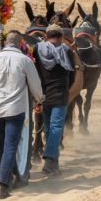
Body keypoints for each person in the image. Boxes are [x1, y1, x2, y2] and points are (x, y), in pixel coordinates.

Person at [0, 31, 44, 199]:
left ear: (5, 43)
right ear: (21, 44)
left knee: (1, 145)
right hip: (15, 110)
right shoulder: (25, 60)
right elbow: (36, 87)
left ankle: (8, 177)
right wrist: (39, 101)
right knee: (11, 145)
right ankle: (3, 185)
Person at [35, 24, 74, 175]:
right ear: (62, 37)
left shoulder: (38, 50)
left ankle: (53, 161)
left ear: (46, 36)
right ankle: (50, 160)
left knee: (49, 127)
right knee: (57, 126)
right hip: (60, 94)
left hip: (43, 95)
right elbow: (72, 76)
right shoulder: (67, 52)